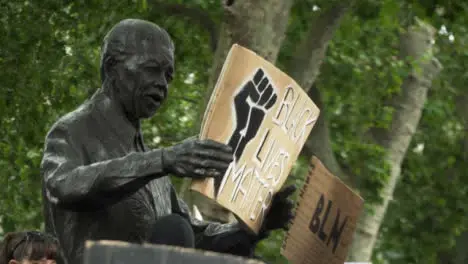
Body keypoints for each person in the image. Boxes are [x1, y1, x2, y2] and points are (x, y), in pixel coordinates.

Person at [40, 18, 296, 264]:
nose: (162, 84)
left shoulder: (158, 170)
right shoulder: (72, 130)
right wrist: (163, 160)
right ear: (111, 68)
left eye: (168, 76)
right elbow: (64, 185)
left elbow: (194, 239)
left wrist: (256, 226)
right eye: (151, 69)